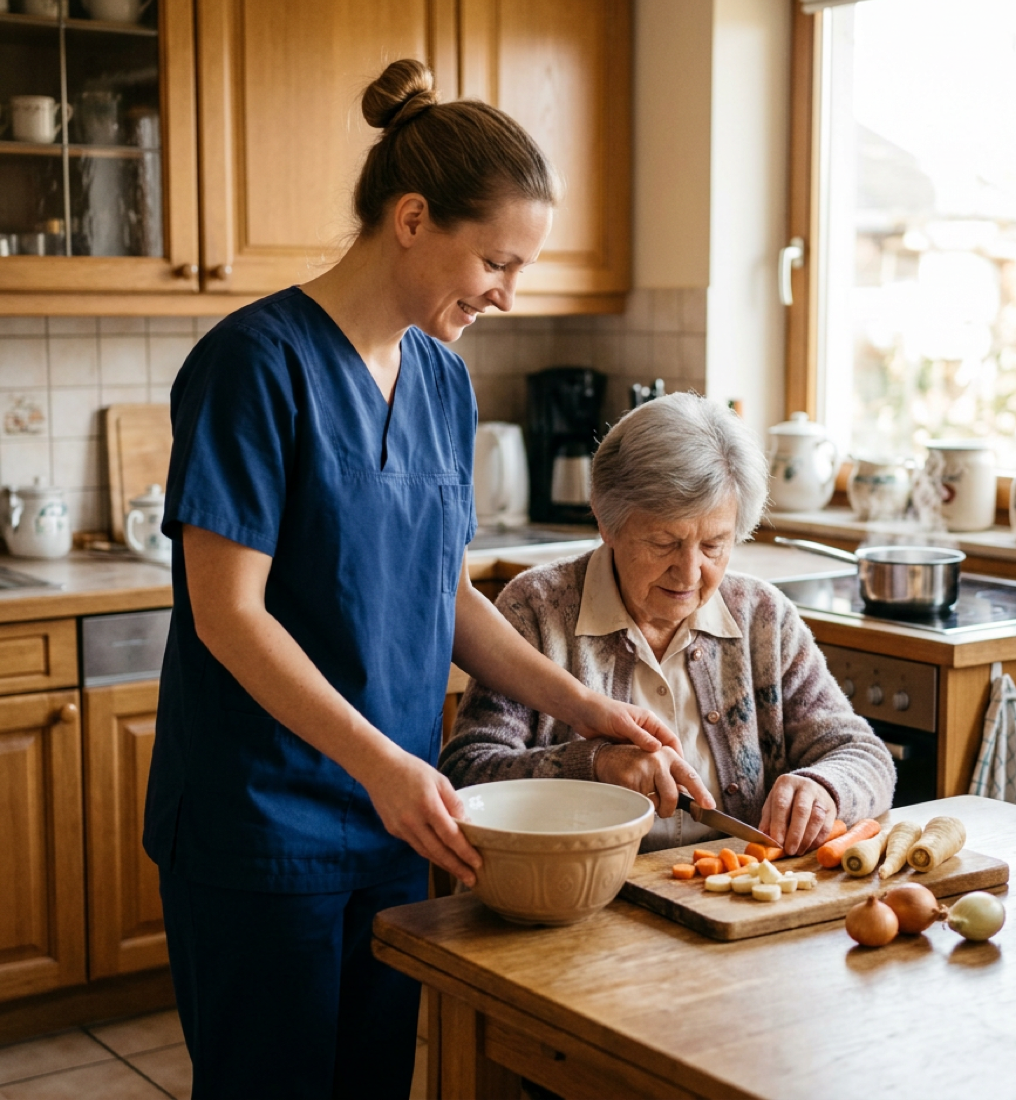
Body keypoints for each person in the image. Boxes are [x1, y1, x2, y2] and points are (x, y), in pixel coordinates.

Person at [142, 59, 711, 1100]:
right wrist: (382, 765)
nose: (506, 292)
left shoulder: (444, 378)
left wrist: (592, 708)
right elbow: (228, 617)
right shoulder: (254, 365)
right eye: (496, 260)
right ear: (412, 218)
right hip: (262, 820)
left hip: (398, 818)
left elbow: (440, 600)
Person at [440, 393, 896, 853]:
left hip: (730, 898)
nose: (691, 572)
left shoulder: (763, 618)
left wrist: (823, 787)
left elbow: (863, 754)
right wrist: (594, 764)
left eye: (715, 545)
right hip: (579, 898)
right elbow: (467, 772)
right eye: (664, 542)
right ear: (606, 520)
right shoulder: (536, 610)